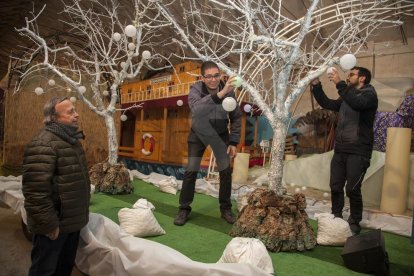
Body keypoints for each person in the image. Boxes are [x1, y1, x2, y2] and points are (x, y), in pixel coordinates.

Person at [22, 96, 91, 275]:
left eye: (75, 110)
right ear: (54, 118)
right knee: (44, 270)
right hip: (54, 226)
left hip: (71, 223)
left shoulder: (71, 141)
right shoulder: (43, 143)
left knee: (63, 268)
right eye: (70, 112)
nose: (76, 115)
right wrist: (49, 224)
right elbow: (35, 192)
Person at [310, 66, 378, 235]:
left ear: (362, 78)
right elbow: (328, 103)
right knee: (335, 185)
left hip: (359, 151)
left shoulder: (369, 95)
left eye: (352, 75)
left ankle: (355, 221)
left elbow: (357, 103)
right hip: (340, 150)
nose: (348, 77)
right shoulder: (348, 96)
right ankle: (336, 216)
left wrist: (339, 83)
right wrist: (316, 85)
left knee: (353, 189)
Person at [174, 61, 242, 226]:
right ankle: (184, 208)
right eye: (209, 76)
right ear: (202, 78)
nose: (213, 79)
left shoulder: (229, 92)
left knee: (225, 172)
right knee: (191, 171)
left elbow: (236, 117)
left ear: (220, 75)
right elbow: (197, 109)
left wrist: (233, 141)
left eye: (216, 75)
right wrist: (221, 94)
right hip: (199, 133)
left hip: (220, 134)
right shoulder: (196, 89)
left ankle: (225, 209)